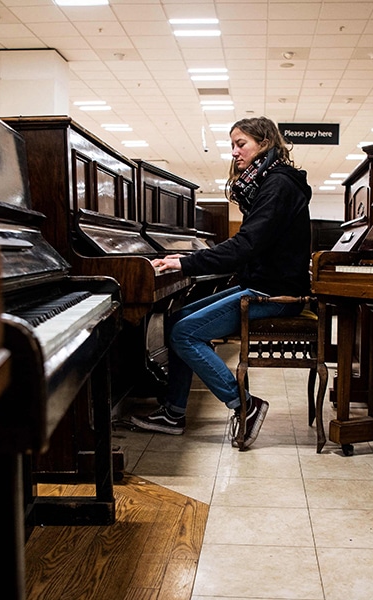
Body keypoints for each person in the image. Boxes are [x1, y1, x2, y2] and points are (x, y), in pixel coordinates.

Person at [130, 116, 313, 448]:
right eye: (232, 145)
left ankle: (244, 404)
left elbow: (245, 245)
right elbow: (248, 246)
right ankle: (173, 412)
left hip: (274, 293)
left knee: (183, 333)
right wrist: (187, 263)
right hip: (263, 284)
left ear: (265, 144)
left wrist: (186, 262)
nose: (234, 152)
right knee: (176, 315)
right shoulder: (270, 181)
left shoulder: (278, 185)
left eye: (240, 144)